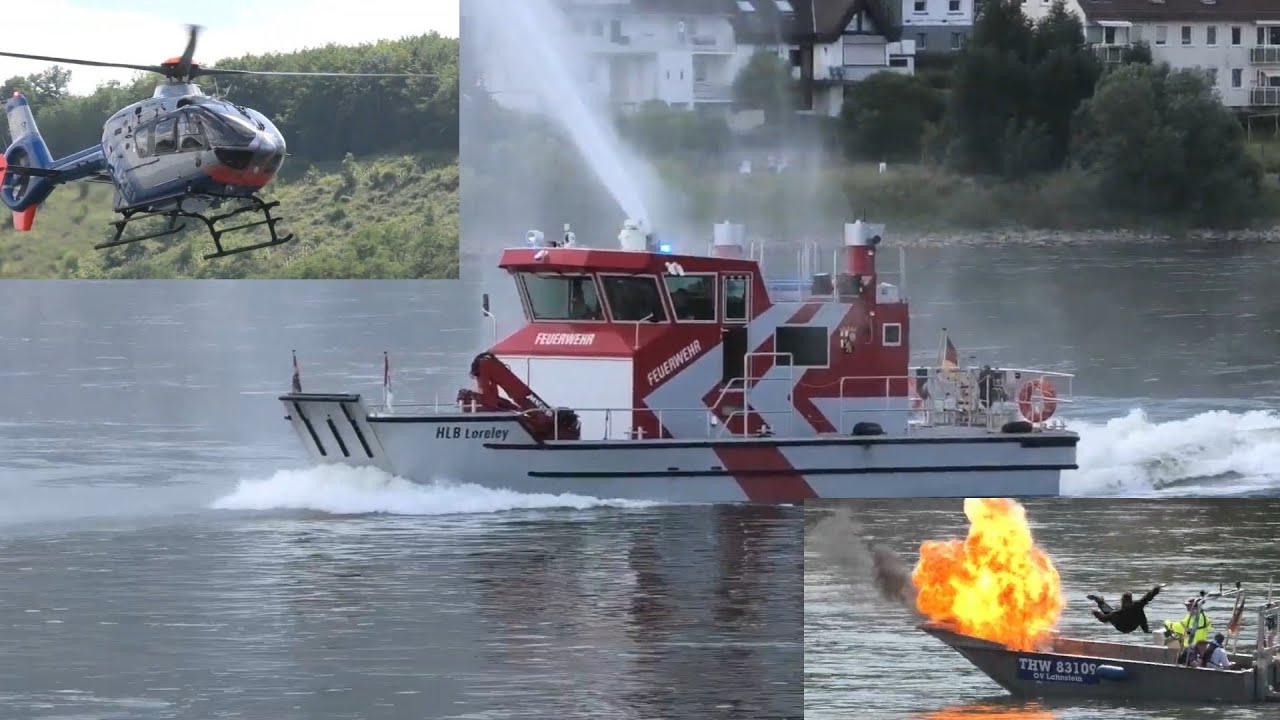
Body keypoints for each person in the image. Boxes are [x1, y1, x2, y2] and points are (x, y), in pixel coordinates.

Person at [1087, 584, 1163, 633]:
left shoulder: (1119, 612)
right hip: (1125, 625)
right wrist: (1157, 588)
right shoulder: (1135, 606)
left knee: (1110, 613)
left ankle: (1098, 600)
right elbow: (1148, 596)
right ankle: (1098, 600)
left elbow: (1148, 596)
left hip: (1125, 625)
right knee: (1111, 613)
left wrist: (1095, 613)